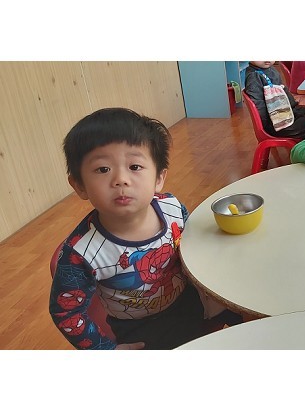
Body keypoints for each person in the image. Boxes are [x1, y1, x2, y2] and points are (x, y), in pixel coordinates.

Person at [49, 108, 242, 350]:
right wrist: (105, 350)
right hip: (142, 328)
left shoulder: (172, 207)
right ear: (79, 185)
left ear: (159, 178)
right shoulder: (81, 254)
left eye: (135, 166)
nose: (121, 179)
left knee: (247, 312)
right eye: (103, 169)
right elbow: (66, 312)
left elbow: (194, 245)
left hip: (191, 298)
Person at [244, 61, 305, 139]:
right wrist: (267, 128)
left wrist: (296, 108)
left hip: (287, 113)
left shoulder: (271, 70)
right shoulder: (254, 77)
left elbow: (283, 92)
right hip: (276, 124)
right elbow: (259, 106)